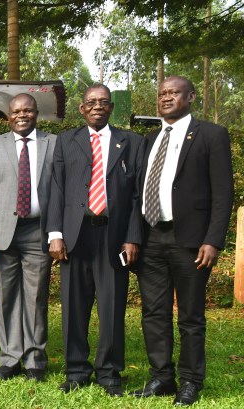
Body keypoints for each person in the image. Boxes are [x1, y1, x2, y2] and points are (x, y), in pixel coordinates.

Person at [132, 76, 233, 406]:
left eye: (173, 93)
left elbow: (223, 194)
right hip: (151, 237)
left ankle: (190, 382)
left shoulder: (211, 135)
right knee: (153, 312)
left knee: (190, 316)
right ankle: (161, 377)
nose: (165, 98)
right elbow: (137, 194)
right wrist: (134, 237)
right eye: (161, 93)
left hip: (191, 240)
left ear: (190, 97)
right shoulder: (149, 139)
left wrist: (213, 240)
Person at [47, 84, 144, 396]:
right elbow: (57, 189)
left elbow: (135, 197)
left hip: (113, 237)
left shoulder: (131, 142)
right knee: (74, 307)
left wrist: (132, 237)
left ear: (112, 107)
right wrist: (56, 234)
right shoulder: (66, 140)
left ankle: (109, 373)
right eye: (92, 102)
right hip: (75, 236)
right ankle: (76, 370)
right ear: (82, 108)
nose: (98, 106)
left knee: (112, 306)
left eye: (104, 102)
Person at [0, 94, 55, 382]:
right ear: (8, 116)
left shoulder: (53, 144)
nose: (22, 115)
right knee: (5, 298)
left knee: (36, 298)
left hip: (38, 231)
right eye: (16, 111)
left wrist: (57, 233)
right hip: (1, 234)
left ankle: (35, 360)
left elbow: (59, 193)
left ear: (36, 113)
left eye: (28, 110)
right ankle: (9, 358)